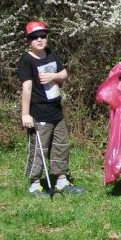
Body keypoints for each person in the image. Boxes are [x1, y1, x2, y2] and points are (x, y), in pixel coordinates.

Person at [16, 20, 83, 195]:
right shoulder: (26, 61)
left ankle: (62, 181)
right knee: (39, 150)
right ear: (28, 40)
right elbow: (27, 88)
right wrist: (25, 115)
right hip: (38, 113)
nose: (39, 40)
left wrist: (53, 76)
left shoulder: (51, 54)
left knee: (61, 146)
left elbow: (64, 74)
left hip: (56, 111)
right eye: (35, 37)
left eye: (43, 36)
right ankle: (34, 185)